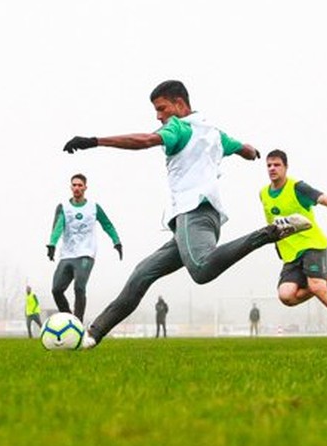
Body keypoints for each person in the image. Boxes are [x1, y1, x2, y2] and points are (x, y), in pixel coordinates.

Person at [62, 79, 310, 348]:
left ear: (179, 104)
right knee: (142, 273)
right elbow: (243, 148)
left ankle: (271, 232)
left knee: (201, 269)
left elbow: (146, 140)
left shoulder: (178, 127)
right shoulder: (214, 132)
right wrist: (251, 152)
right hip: (192, 222)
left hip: (194, 214)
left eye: (162, 108)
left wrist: (94, 141)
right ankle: (92, 334)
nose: (158, 116)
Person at [258, 149, 327, 343]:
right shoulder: (264, 193)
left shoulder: (297, 187)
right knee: (286, 296)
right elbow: (272, 223)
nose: (272, 168)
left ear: (286, 167)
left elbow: (323, 198)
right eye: (269, 165)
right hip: (291, 253)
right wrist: (275, 244)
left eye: (277, 165)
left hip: (312, 244)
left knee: (317, 287)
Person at [47, 173, 123, 320]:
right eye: (74, 185)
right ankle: (70, 321)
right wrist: (52, 245)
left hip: (86, 254)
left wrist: (116, 241)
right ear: (70, 187)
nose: (76, 188)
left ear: (85, 188)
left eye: (80, 185)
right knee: (56, 290)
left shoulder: (93, 207)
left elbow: (107, 225)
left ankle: (78, 323)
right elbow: (58, 227)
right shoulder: (64, 207)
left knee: (79, 288)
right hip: (67, 255)